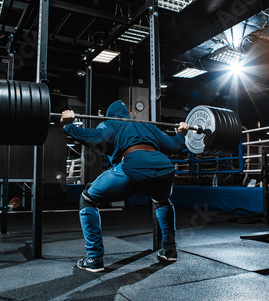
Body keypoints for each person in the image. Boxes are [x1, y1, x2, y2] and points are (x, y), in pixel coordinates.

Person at [60, 100, 189, 272]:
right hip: (164, 170)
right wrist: (181, 132)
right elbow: (175, 146)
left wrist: (68, 126)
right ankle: (170, 250)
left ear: (111, 115)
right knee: (163, 201)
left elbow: (96, 138)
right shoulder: (147, 126)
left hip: (132, 168)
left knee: (87, 198)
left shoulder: (111, 123)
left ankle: (94, 258)